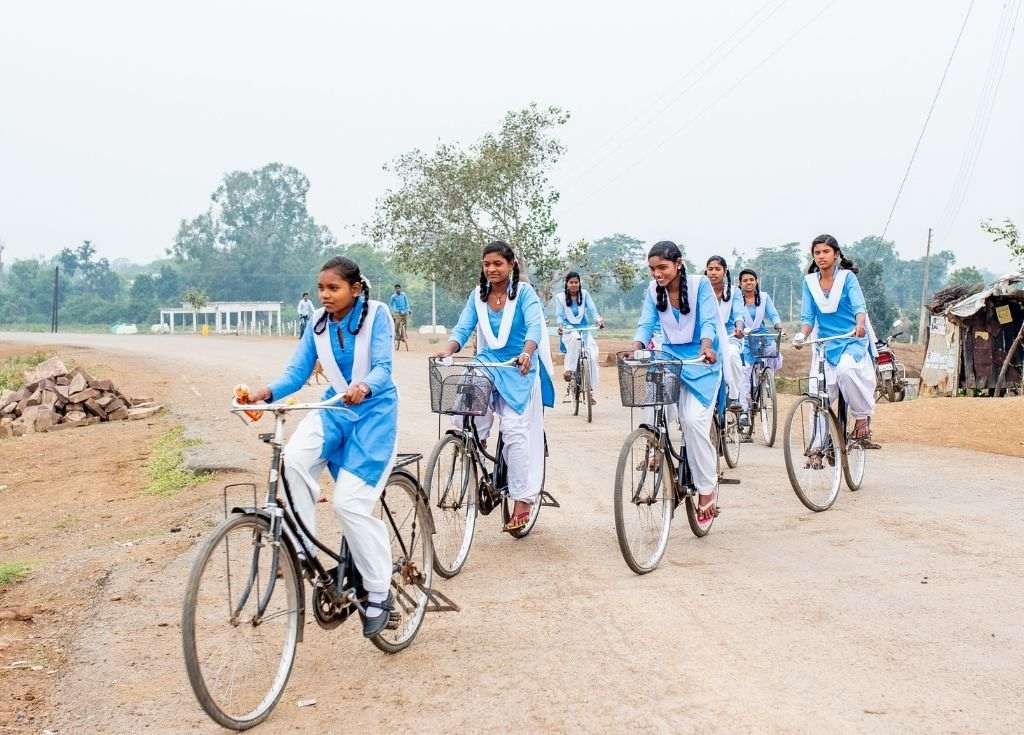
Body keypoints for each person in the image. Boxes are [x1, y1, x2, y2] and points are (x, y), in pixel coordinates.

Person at [239, 257, 398, 639]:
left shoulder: (377, 315)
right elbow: (296, 372)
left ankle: (379, 591)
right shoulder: (318, 324)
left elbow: (383, 367)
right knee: (293, 459)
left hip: (374, 416)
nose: (325, 295)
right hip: (335, 410)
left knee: (348, 504)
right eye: (322, 288)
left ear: (355, 289)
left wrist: (364, 386)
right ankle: (301, 550)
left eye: (333, 288)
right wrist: (264, 393)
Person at [434, 241, 555, 533]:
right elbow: (463, 328)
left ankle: (522, 502)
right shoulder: (477, 296)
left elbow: (535, 328)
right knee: (466, 410)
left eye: (497, 264)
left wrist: (527, 352)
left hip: (518, 367)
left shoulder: (524, 294)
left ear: (511, 265)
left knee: (515, 431)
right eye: (487, 264)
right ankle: (477, 444)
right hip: (488, 363)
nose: (491, 269)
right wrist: (449, 350)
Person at [632, 241, 726, 522]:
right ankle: (655, 446)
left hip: (702, 360)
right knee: (651, 399)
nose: (657, 274)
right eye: (652, 269)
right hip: (670, 358)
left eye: (662, 267)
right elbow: (646, 323)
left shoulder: (700, 286)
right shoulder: (653, 291)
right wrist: (635, 346)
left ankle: (707, 489)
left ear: (678, 264)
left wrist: (707, 346)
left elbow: (709, 321)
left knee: (694, 422)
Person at [793, 234, 876, 443]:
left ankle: (861, 417)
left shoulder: (847, 278)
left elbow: (859, 307)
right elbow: (808, 317)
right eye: (817, 253)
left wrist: (859, 325)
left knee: (846, 371)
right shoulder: (810, 282)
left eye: (826, 252)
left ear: (836, 254)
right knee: (818, 394)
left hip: (851, 340)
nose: (821, 256)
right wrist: (802, 335)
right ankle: (818, 445)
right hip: (825, 345)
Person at [735, 268, 784, 438]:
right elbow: (738, 317)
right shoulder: (736, 299)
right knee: (744, 373)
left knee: (772, 352)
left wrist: (778, 325)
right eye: (745, 280)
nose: (748, 283)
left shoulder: (763, 297)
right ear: (740, 284)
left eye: (751, 279)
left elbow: (773, 313)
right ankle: (744, 409)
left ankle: (766, 379)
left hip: (762, 336)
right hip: (745, 339)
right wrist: (739, 329)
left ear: (756, 281)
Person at [703, 256, 744, 417]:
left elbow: (739, 313)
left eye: (717, 269)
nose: (713, 273)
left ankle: (733, 397)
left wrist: (739, 327)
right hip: (707, 339)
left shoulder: (734, 292)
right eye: (710, 269)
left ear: (725, 271)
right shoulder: (701, 290)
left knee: (733, 355)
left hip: (729, 336)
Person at [555, 271, 604, 404]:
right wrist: (560, 325)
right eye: (571, 282)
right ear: (566, 283)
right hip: (568, 329)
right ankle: (569, 370)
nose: (574, 285)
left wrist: (598, 320)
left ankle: (590, 391)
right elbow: (559, 315)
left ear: (579, 283)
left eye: (576, 282)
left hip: (584, 329)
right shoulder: (560, 297)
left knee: (592, 356)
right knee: (575, 340)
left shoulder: (585, 294)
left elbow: (593, 310)